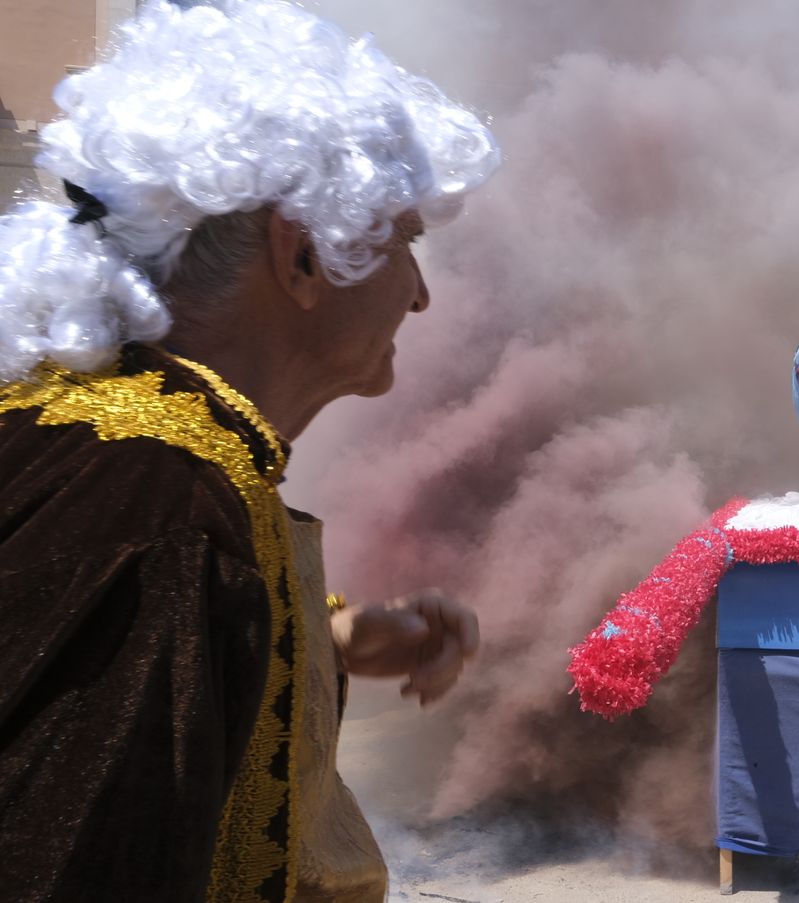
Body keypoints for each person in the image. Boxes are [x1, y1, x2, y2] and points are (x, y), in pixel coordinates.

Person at [0, 2, 500, 899]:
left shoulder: (113, 442)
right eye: (407, 244)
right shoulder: (157, 503)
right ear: (302, 255)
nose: (419, 297)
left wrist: (324, 637)